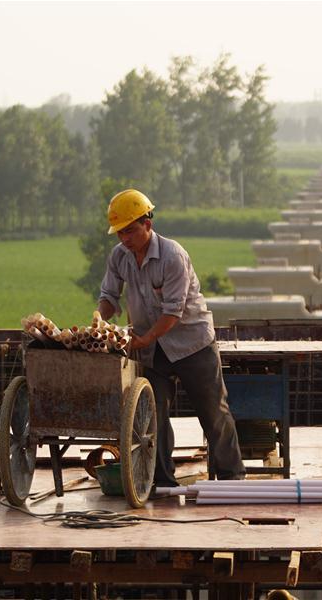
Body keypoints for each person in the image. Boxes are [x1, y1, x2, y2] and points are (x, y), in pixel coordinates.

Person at [97, 188, 246, 488]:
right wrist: (100, 319)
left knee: (213, 412)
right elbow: (109, 296)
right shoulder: (119, 257)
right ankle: (161, 481)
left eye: (130, 231)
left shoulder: (172, 256)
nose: (124, 239)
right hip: (152, 351)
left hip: (192, 344)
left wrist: (141, 340)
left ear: (147, 225)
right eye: (119, 233)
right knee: (152, 415)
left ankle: (232, 478)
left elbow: (172, 313)